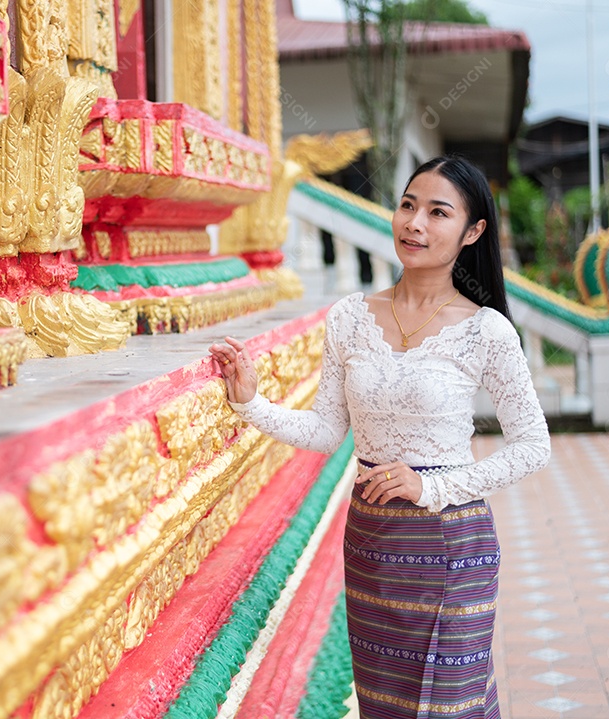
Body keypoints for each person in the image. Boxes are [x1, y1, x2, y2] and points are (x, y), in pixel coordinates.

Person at [209, 155, 550, 719]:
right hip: (373, 542)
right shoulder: (348, 317)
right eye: (407, 205)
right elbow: (325, 431)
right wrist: (251, 402)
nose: (414, 224)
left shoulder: (486, 330)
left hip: (450, 543)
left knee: (449, 705)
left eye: (437, 212)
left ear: (473, 231)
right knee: (385, 704)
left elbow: (533, 445)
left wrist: (430, 488)